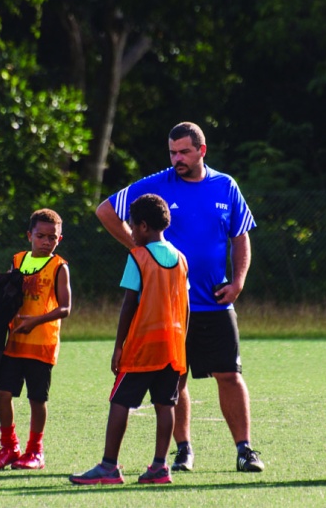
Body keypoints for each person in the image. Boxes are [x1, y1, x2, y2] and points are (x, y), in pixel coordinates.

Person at [95, 121, 264, 473]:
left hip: (217, 301)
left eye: (184, 151)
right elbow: (106, 211)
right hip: (171, 309)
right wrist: (141, 252)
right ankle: (183, 450)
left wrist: (238, 282)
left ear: (202, 150)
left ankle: (245, 449)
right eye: (172, 152)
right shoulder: (158, 183)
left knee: (229, 374)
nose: (177, 159)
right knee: (177, 378)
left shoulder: (226, 185)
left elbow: (241, 236)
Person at [71, 194, 189, 485]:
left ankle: (109, 466)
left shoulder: (138, 256)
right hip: (173, 344)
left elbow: (129, 304)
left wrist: (118, 346)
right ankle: (160, 467)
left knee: (120, 401)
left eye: (133, 227)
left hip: (142, 345)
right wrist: (183, 344)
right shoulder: (181, 258)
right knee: (165, 404)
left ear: (144, 226)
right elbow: (186, 307)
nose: (131, 232)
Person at [0, 208, 73, 471]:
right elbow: (7, 295)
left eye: (52, 237)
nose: (46, 241)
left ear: (59, 239)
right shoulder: (17, 260)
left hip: (41, 344)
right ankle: (9, 447)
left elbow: (65, 308)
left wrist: (33, 322)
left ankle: (35, 451)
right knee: (2, 393)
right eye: (41, 236)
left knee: (37, 399)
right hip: (14, 344)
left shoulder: (60, 267)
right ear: (29, 235)